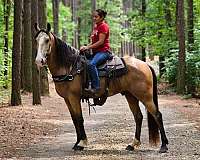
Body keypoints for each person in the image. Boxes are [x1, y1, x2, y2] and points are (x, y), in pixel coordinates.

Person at [80, 9, 111, 94]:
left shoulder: (103, 26)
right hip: (96, 52)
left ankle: (96, 87)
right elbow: (94, 42)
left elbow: (101, 42)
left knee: (91, 64)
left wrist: (88, 47)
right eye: (93, 16)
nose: (94, 18)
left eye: (96, 16)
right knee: (83, 62)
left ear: (102, 17)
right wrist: (86, 47)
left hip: (104, 51)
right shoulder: (96, 27)